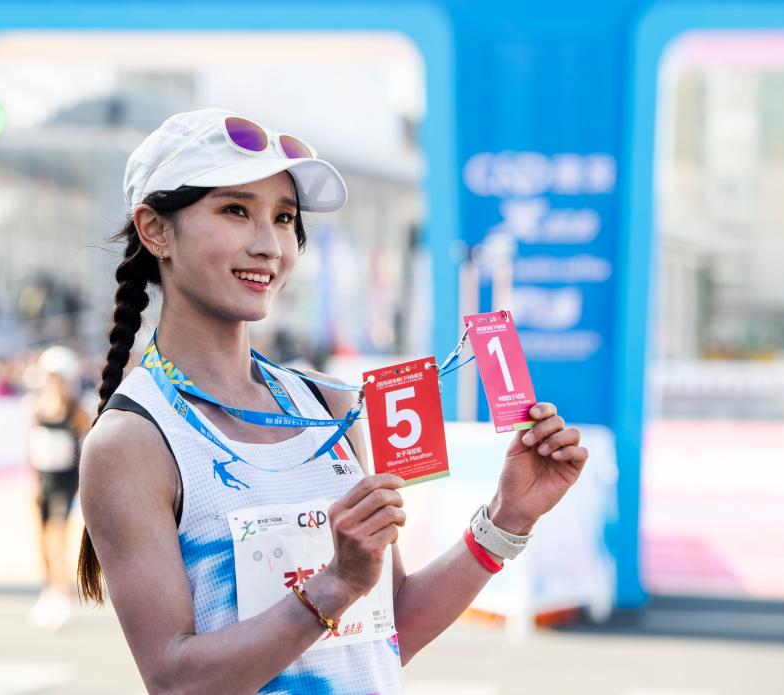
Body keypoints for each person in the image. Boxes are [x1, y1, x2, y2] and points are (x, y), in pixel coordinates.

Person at [77, 109, 589, 694]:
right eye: (236, 210)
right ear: (155, 230)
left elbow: (390, 630)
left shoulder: (327, 403)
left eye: (283, 218)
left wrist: (508, 517)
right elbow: (176, 683)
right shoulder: (133, 440)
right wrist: (333, 584)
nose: (269, 245)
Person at [27, 344, 91, 630]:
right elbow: (32, 443)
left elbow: (89, 440)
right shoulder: (37, 405)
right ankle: (49, 588)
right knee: (41, 535)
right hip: (44, 479)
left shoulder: (76, 408)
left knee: (57, 536)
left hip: (66, 480)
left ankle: (63, 593)